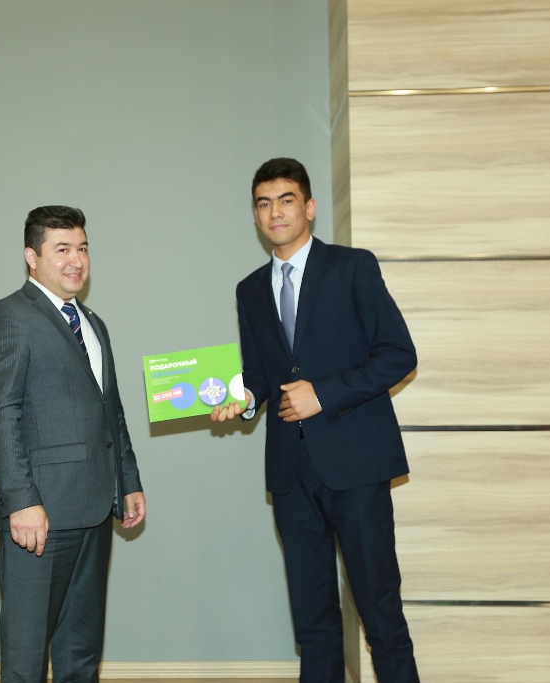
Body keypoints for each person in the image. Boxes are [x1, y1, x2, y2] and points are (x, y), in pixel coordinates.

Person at [211, 159, 420, 683]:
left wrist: (322, 395)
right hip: (290, 472)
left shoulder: (353, 267)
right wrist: (243, 398)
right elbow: (260, 373)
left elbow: (399, 354)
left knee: (380, 610)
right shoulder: (249, 289)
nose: (274, 212)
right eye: (263, 203)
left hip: (357, 464)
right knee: (313, 621)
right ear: (255, 215)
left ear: (309, 207)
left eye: (286, 200)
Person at [0, 205, 145, 683]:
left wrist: (128, 481)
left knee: (81, 654)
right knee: (27, 659)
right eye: (63, 249)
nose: (77, 260)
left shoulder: (93, 322)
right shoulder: (7, 317)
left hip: (97, 511)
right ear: (32, 257)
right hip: (39, 519)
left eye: (83, 248)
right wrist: (20, 501)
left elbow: (111, 411)